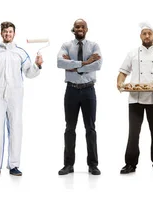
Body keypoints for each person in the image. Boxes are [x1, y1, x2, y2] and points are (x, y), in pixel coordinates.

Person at [0, 21, 43, 176]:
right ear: (1, 33)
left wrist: (37, 65)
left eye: (10, 32)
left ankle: (14, 165)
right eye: (5, 32)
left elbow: (29, 73)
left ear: (14, 34)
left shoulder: (21, 53)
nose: (8, 34)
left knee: (16, 129)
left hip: (15, 96)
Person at [116, 22, 153, 176]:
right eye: (144, 33)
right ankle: (130, 164)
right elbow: (123, 72)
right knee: (133, 133)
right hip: (135, 99)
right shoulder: (133, 53)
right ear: (140, 36)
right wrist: (119, 83)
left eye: (149, 33)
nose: (147, 36)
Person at [57, 19, 102, 176]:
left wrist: (74, 65)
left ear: (87, 29)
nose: (80, 29)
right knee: (70, 128)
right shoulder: (66, 45)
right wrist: (86, 62)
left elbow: (98, 65)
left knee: (90, 128)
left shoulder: (94, 46)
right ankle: (68, 165)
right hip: (71, 91)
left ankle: (93, 165)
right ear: (73, 29)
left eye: (82, 27)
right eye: (77, 26)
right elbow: (60, 63)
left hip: (89, 90)